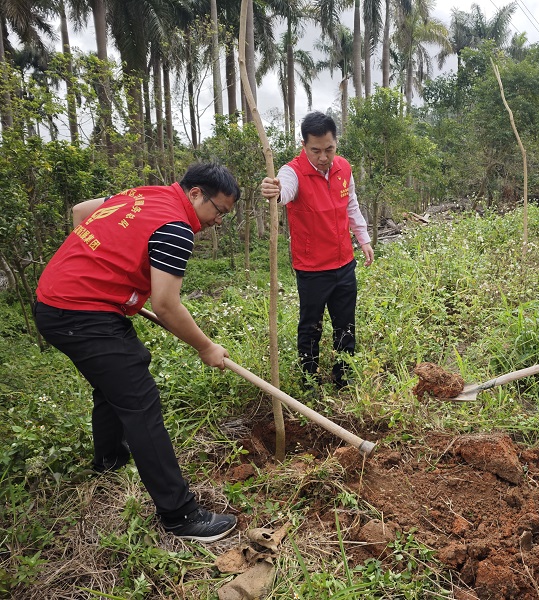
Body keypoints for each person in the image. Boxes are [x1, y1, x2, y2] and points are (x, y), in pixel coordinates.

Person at [34, 163, 241, 542]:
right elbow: (166, 304)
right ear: (196, 193)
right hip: (81, 313)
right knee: (140, 403)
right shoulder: (177, 228)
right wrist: (206, 347)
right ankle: (180, 515)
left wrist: (103, 266)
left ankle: (109, 458)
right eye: (219, 211)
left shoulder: (144, 195)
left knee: (115, 379)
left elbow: (81, 212)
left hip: (54, 302)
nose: (218, 221)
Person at [260, 111, 374, 389]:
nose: (323, 157)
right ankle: (308, 381)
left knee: (345, 324)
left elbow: (351, 205)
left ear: (336, 142)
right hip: (312, 269)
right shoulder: (292, 172)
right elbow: (284, 191)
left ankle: (343, 379)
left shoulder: (343, 168)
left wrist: (364, 238)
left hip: (345, 263)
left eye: (329, 149)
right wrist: (273, 189)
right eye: (316, 150)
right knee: (311, 326)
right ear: (304, 144)